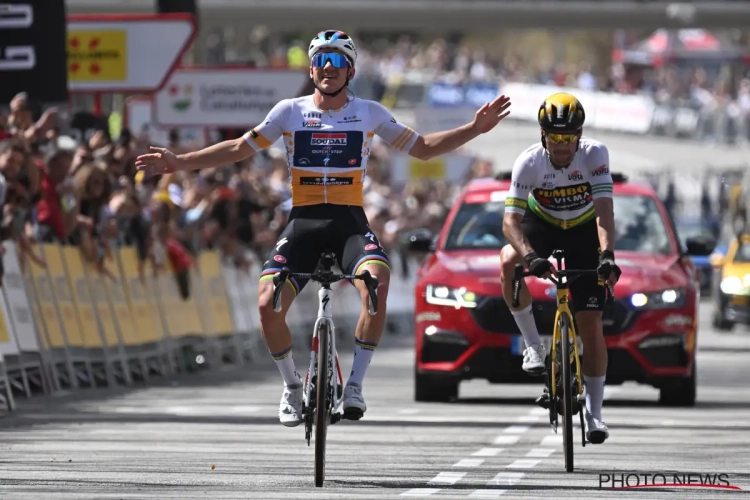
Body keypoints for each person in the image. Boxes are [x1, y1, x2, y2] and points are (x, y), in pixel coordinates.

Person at [135, 30, 512, 427]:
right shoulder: (289, 111)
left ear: (350, 70)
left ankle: (354, 386)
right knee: (266, 303)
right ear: (311, 69)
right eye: (320, 60)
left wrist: (474, 129)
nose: (328, 68)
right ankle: (292, 388)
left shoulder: (369, 112)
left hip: (349, 222)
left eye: (337, 61)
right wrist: (180, 162)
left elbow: (423, 148)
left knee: (377, 283)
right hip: (304, 222)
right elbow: (237, 149)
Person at [500, 92, 621, 444]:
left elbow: (603, 210)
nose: (563, 146)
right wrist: (529, 256)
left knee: (590, 324)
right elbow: (510, 222)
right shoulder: (529, 162)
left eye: (569, 138)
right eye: (556, 137)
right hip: (543, 224)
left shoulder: (595, 155)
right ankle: (533, 346)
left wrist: (607, 255)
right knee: (508, 259)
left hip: (584, 229)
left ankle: (595, 414)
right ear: (543, 135)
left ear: (579, 136)